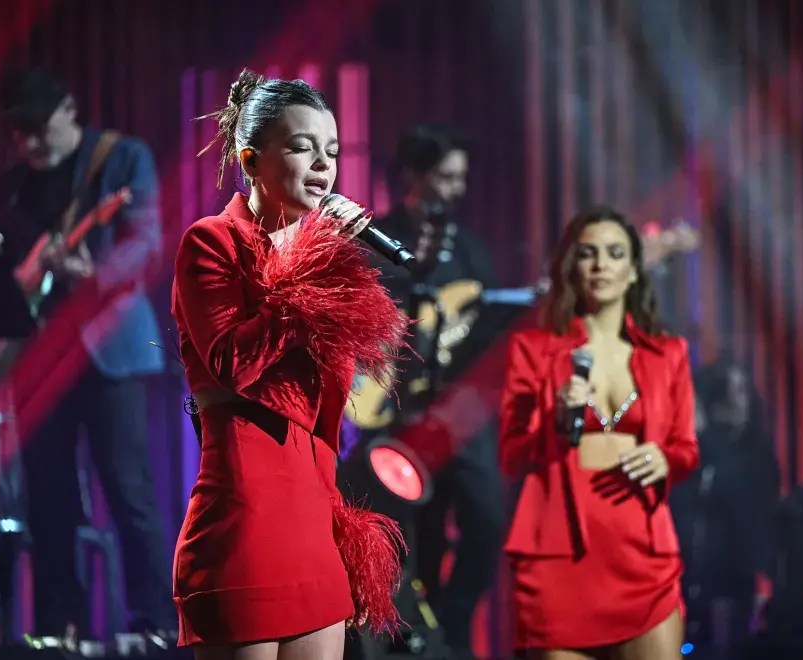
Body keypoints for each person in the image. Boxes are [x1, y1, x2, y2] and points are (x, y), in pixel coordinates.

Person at [171, 69, 408, 660]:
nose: (323, 164)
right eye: (302, 147)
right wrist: (315, 268)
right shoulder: (213, 242)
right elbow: (232, 361)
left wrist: (325, 260)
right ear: (251, 162)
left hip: (313, 519)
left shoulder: (324, 261)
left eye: (331, 150)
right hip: (244, 515)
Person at [0, 66, 172, 635]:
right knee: (47, 498)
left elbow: (145, 244)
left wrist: (93, 273)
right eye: (19, 133)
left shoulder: (121, 159)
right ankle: (58, 627)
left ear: (69, 108)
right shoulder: (13, 186)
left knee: (128, 488)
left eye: (39, 129)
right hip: (39, 356)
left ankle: (155, 623)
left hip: (111, 350)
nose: (29, 144)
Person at [499, 205, 700, 659]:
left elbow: (687, 449)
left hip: (643, 553)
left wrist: (666, 459)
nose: (601, 265)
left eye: (614, 253)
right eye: (588, 254)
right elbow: (511, 457)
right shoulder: (533, 351)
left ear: (633, 270)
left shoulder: (668, 354)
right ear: (572, 267)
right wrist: (553, 415)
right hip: (558, 552)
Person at [368, 124, 506, 657]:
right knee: (408, 536)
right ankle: (415, 638)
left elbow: (489, 331)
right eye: (446, 176)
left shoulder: (470, 250)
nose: (456, 189)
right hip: (398, 414)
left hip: (462, 417)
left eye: (461, 178)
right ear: (413, 175)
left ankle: (449, 625)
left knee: (487, 521)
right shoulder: (380, 240)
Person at [670, 361, 780, 652]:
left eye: (743, 391)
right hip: (684, 587)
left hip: (733, 588)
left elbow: (756, 524)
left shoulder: (758, 457)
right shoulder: (695, 456)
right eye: (734, 392)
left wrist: (762, 582)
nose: (740, 401)